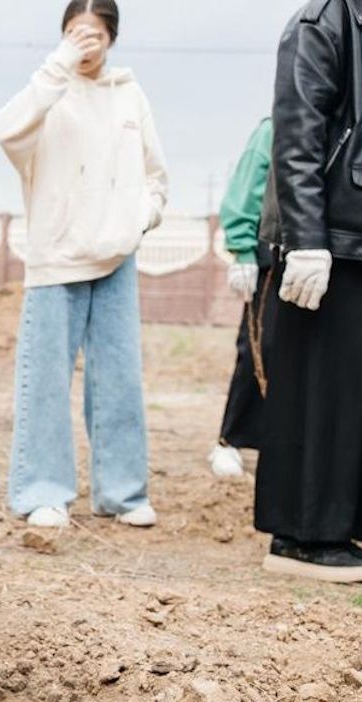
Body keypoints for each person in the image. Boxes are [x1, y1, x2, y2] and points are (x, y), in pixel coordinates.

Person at [0, 0, 168, 530]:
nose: (86, 42)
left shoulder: (129, 95)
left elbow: (156, 177)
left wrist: (139, 218)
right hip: (56, 259)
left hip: (117, 255)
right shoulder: (48, 94)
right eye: (75, 31)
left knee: (119, 379)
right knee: (45, 380)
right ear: (64, 35)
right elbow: (7, 130)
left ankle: (122, 493)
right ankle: (42, 491)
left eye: (93, 32)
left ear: (111, 37)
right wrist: (60, 60)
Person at [255, 0, 362, 582]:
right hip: (328, 239)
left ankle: (339, 525)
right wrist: (307, 240)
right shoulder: (320, 24)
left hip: (356, 235)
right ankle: (302, 538)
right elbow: (298, 135)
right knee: (318, 392)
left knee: (350, 400)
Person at [209, 119, 276, 478]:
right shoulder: (274, 128)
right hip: (272, 254)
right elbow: (246, 189)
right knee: (258, 350)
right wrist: (243, 250)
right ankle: (230, 440)